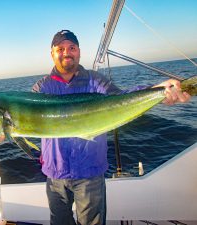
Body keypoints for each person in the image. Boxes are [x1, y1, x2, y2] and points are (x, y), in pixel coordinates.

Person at [32, 30, 191, 225]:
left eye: (71, 48)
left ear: (79, 52)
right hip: (55, 175)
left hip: (90, 173)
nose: (67, 53)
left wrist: (158, 91)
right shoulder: (41, 88)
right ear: (52, 53)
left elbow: (122, 98)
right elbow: (24, 120)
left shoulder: (95, 80)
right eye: (60, 49)